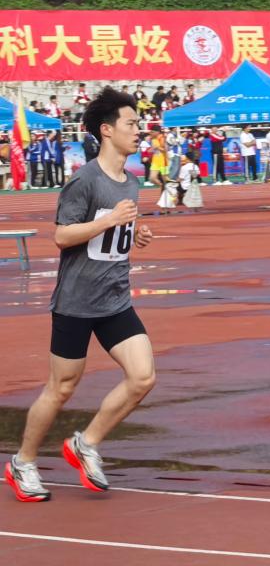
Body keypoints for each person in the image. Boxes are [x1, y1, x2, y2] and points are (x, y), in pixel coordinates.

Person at [5, 87, 155, 503]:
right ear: (107, 130)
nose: (138, 130)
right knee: (61, 388)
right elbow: (62, 236)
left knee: (143, 377)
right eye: (131, 124)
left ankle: (85, 443)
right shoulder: (84, 180)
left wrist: (134, 234)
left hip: (115, 300)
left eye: (138, 124)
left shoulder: (131, 182)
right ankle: (23, 462)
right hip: (76, 302)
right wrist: (110, 222)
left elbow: (115, 230)